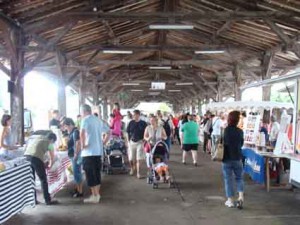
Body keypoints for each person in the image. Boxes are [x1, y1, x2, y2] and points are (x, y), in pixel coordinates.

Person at [80, 104, 110, 203]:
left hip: (88, 152)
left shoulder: (85, 120)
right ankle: (97, 195)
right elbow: (109, 131)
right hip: (98, 151)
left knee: (90, 174)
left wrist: (83, 145)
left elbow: (82, 133)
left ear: (83, 111)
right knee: (97, 173)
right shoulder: (98, 120)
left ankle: (94, 195)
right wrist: (103, 143)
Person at [24, 132, 58, 205]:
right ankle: (47, 200)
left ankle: (33, 200)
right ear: (52, 139)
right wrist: (50, 165)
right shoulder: (49, 143)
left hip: (26, 157)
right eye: (53, 142)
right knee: (43, 179)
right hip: (36, 158)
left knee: (31, 180)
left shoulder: (37, 138)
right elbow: (52, 157)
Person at [222, 111, 244, 209]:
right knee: (239, 178)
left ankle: (230, 200)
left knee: (228, 179)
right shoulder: (240, 131)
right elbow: (241, 143)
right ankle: (241, 197)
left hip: (227, 158)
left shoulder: (226, 130)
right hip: (238, 157)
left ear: (229, 119)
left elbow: (223, 143)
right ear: (237, 120)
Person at [63, 118, 83, 198]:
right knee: (76, 173)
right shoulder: (73, 132)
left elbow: (78, 143)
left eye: (66, 126)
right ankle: (78, 189)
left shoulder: (75, 132)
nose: (65, 128)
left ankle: (80, 191)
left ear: (70, 124)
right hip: (74, 155)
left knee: (77, 173)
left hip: (75, 155)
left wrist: (75, 154)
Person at [126, 109, 148, 179]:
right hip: (131, 142)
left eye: (135, 115)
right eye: (133, 115)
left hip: (140, 142)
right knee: (131, 158)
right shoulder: (130, 123)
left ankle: (138, 173)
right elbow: (127, 132)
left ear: (139, 115)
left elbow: (146, 133)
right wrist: (127, 141)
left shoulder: (143, 123)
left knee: (139, 159)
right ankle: (132, 168)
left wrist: (144, 140)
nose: (134, 116)